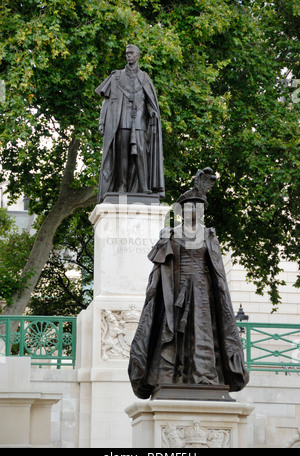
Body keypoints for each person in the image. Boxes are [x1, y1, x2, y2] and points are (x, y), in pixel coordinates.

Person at [128, 168, 249, 399]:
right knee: (173, 333)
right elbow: (158, 268)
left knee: (203, 333)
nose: (194, 210)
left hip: (204, 294)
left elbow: (217, 271)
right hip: (176, 292)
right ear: (182, 210)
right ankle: (174, 377)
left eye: (198, 206)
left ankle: (203, 376)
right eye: (189, 206)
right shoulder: (171, 234)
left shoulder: (209, 236)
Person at [95, 45, 165, 202]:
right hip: (121, 122)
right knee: (122, 156)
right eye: (127, 53)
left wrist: (152, 112)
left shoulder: (145, 78)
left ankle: (144, 186)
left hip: (139, 121)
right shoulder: (116, 77)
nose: (129, 56)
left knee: (141, 154)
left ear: (138, 55)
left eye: (132, 53)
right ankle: (122, 186)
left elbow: (149, 101)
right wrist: (102, 122)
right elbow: (106, 102)